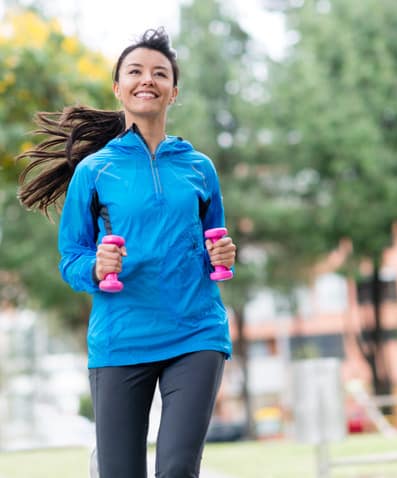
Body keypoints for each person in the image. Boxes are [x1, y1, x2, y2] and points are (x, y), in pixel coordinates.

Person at [18, 27, 236, 478]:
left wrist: (222, 256)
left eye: (160, 73)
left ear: (173, 92)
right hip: (121, 339)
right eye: (135, 71)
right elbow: (71, 257)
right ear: (118, 87)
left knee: (177, 470)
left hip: (195, 332)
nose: (147, 80)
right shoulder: (95, 171)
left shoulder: (199, 168)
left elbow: (212, 243)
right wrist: (96, 268)